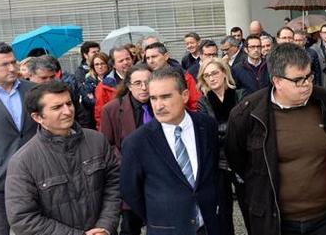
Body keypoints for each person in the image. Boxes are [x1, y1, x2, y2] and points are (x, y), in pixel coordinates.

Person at [226, 43, 326, 235]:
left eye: (309, 76)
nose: (306, 84)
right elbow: (239, 161)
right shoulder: (247, 114)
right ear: (277, 81)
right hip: (277, 222)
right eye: (298, 80)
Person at [5, 80, 121, 235]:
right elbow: (23, 218)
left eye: (69, 103)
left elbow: (114, 185)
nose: (67, 111)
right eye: (57, 107)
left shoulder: (97, 141)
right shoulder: (23, 162)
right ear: (38, 117)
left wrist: (105, 226)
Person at [120, 67, 220, 235]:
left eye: (165, 97)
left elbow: (213, 172)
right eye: (153, 98)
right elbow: (130, 191)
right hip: (167, 229)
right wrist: (160, 218)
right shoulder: (137, 142)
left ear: (185, 95)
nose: (158, 105)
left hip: (209, 225)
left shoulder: (206, 125)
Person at [0, 43, 36, 235]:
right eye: (4, 64)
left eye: (13, 62)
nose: (12, 68)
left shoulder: (32, 91)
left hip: (35, 177)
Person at [197, 58, 248, 235]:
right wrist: (229, 129)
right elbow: (207, 134)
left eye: (215, 73)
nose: (211, 78)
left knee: (249, 207)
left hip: (242, 159)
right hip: (217, 162)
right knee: (223, 212)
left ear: (224, 73)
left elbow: (245, 128)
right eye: (207, 75)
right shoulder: (203, 102)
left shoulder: (241, 95)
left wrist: (220, 130)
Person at [100, 63, 152, 235]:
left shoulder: (161, 103)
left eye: (148, 81)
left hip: (159, 179)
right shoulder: (112, 109)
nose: (144, 87)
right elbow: (107, 146)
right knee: (130, 227)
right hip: (130, 178)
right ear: (129, 85)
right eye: (138, 83)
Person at [144, 42, 201, 111]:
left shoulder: (184, 76)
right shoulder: (146, 78)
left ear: (166, 56)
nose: (151, 61)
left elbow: (196, 104)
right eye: (148, 58)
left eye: (154, 57)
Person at [95, 46, 135, 126]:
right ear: (113, 65)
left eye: (128, 59)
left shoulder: (142, 78)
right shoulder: (104, 86)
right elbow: (100, 115)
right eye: (121, 61)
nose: (126, 62)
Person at [81, 52, 111, 128]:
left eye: (102, 63)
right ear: (93, 66)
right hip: (93, 120)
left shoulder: (113, 80)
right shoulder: (89, 81)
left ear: (107, 64)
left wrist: (94, 98)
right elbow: (86, 101)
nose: (100, 67)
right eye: (97, 64)